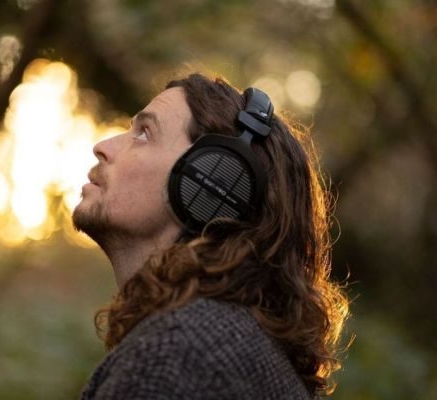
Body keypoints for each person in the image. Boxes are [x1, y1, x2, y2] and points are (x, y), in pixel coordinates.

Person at [73, 73, 348, 399]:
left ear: (212, 182)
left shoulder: (180, 355)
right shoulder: (228, 346)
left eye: (144, 133)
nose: (102, 147)